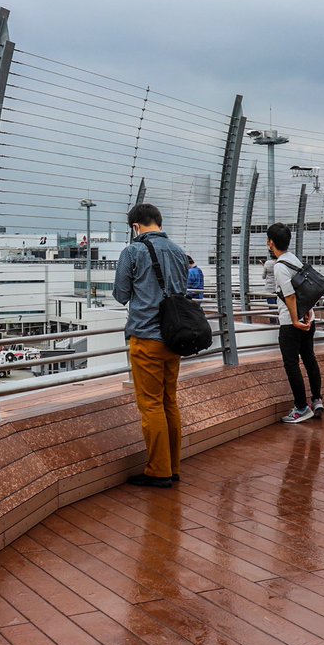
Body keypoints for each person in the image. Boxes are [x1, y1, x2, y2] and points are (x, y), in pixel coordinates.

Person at [113, 203, 189, 488]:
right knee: (170, 402)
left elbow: (121, 294)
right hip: (175, 338)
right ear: (159, 222)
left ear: (135, 227)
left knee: (151, 406)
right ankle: (173, 465)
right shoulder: (179, 252)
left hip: (146, 338)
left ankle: (159, 471)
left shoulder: (133, 251)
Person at [267, 223, 323, 422]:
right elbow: (306, 292)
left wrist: (294, 320)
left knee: (291, 364)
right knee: (309, 358)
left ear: (271, 243)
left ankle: (301, 407)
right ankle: (317, 399)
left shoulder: (280, 266)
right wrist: (306, 314)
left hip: (292, 323)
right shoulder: (295, 260)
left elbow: (290, 296)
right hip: (309, 318)